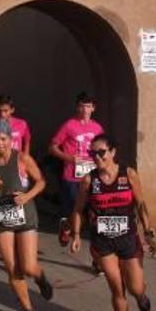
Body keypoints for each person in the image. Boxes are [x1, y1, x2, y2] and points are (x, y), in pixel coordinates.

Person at [69, 134, 154, 311]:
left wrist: (148, 228)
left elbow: (141, 203)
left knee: (135, 287)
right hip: (103, 242)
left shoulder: (129, 174)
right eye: (92, 153)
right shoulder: (89, 180)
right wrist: (76, 235)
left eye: (101, 152)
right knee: (117, 288)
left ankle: (141, 295)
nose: (96, 157)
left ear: (112, 152)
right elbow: (78, 210)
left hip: (128, 238)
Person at [0, 119, 53, 311]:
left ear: (10, 139)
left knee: (27, 266)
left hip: (25, 213)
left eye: (3, 139)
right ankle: (27, 310)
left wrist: (27, 197)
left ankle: (40, 276)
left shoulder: (22, 159)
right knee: (13, 269)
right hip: (1, 217)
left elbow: (42, 182)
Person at [50, 92, 104, 255]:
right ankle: (66, 226)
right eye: (81, 106)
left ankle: (98, 260)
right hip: (72, 177)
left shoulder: (98, 128)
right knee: (74, 211)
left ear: (93, 108)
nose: (84, 109)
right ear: (77, 107)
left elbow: (103, 150)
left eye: (88, 106)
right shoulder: (69, 125)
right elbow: (52, 147)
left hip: (92, 176)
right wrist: (69, 158)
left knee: (94, 216)